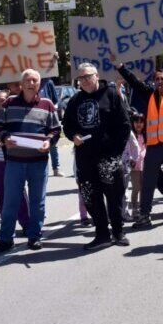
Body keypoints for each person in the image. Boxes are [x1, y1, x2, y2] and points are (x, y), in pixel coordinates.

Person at [114, 50, 163, 227]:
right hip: (154, 146)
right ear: (154, 82)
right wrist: (120, 66)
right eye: (157, 79)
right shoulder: (149, 94)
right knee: (148, 182)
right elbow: (133, 81)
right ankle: (145, 214)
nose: (160, 82)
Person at [0, 69, 61, 254]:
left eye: (35, 80)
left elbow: (55, 130)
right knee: (10, 201)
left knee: (38, 201)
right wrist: (4, 138)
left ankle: (35, 237)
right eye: (28, 80)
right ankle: (5, 239)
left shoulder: (47, 105)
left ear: (39, 84)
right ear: (21, 84)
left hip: (39, 162)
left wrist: (49, 141)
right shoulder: (8, 104)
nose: (31, 83)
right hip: (14, 162)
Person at [63, 62, 132, 250]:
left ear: (96, 75)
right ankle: (101, 233)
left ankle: (118, 232)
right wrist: (73, 136)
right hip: (85, 158)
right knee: (91, 197)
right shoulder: (75, 100)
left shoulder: (111, 95)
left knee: (114, 196)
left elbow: (125, 125)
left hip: (109, 157)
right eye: (80, 78)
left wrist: (116, 152)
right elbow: (67, 125)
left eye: (87, 76)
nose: (84, 81)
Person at [0, 91, 29, 235]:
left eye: (3, 100)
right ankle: (8, 227)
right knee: (1, 195)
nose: (0, 103)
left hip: (13, 161)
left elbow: (20, 140)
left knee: (19, 194)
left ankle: (27, 224)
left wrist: (2, 142)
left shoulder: (14, 119)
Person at [122, 117, 144, 222]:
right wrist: (133, 160)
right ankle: (134, 209)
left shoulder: (146, 135)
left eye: (141, 122)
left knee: (143, 188)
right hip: (134, 166)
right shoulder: (131, 134)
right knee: (136, 188)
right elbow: (134, 148)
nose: (139, 124)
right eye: (136, 122)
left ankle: (142, 209)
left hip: (144, 165)